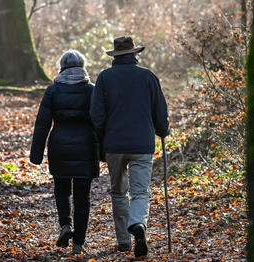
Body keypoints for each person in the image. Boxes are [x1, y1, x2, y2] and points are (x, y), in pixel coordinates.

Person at [90, 36, 170, 258]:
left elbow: (96, 115)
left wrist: (103, 137)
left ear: (115, 56)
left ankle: (124, 241)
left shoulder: (105, 78)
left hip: (114, 145)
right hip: (142, 145)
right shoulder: (148, 77)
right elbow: (160, 112)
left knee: (118, 192)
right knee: (140, 192)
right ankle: (138, 224)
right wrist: (163, 130)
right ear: (134, 54)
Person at [30, 50, 99, 255]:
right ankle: (79, 243)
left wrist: (36, 154)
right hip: (86, 146)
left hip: (59, 145)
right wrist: (103, 151)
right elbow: (100, 121)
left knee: (61, 189)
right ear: (83, 67)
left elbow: (42, 124)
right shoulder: (91, 90)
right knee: (82, 197)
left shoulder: (53, 90)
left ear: (62, 67)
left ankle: (65, 225)